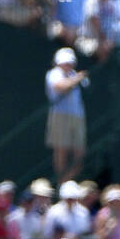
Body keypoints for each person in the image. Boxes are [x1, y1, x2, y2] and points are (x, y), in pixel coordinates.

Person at [46, 48, 89, 183]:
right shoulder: (54, 74)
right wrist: (77, 79)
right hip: (60, 114)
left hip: (77, 116)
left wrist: (77, 78)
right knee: (61, 151)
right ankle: (61, 182)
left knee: (80, 154)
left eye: (70, 63)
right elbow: (60, 87)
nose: (68, 65)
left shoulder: (74, 74)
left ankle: (67, 181)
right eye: (65, 62)